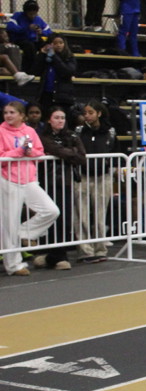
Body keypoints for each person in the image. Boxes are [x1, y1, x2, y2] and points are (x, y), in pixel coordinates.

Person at [0, 100, 60, 276]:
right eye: (6, 112)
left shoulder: (30, 131)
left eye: (12, 112)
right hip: (8, 180)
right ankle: (14, 265)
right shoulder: (1, 131)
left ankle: (23, 234)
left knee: (51, 210)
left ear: (21, 115)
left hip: (29, 179)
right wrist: (19, 151)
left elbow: (40, 153)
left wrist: (29, 152)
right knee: (10, 221)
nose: (8, 115)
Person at [35, 106, 85, 270]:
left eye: (62, 118)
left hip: (67, 181)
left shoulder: (72, 135)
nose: (60, 121)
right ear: (49, 120)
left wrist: (69, 153)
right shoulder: (43, 136)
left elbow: (82, 157)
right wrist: (71, 152)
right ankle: (55, 255)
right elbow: (55, 149)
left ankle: (57, 255)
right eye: (56, 117)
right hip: (49, 181)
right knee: (53, 218)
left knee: (66, 219)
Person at [74, 101, 118, 263]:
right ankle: (85, 251)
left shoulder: (110, 132)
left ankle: (100, 249)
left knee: (100, 215)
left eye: (90, 112)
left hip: (103, 176)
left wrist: (114, 171)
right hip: (82, 176)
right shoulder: (79, 131)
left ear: (99, 113)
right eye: (85, 113)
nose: (87, 116)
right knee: (82, 215)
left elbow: (115, 152)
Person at [32, 34, 76, 111]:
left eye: (61, 43)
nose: (58, 45)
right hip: (46, 96)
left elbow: (67, 72)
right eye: (55, 43)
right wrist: (42, 54)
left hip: (63, 98)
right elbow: (35, 71)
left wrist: (54, 56)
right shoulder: (46, 58)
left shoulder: (69, 57)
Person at [6, 0, 52, 69]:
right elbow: (10, 27)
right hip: (20, 40)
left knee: (48, 46)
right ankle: (31, 69)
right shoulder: (17, 16)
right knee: (30, 46)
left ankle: (47, 68)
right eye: (30, 14)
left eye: (34, 14)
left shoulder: (38, 19)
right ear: (26, 12)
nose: (33, 16)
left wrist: (41, 32)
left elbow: (49, 31)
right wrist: (27, 28)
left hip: (34, 40)